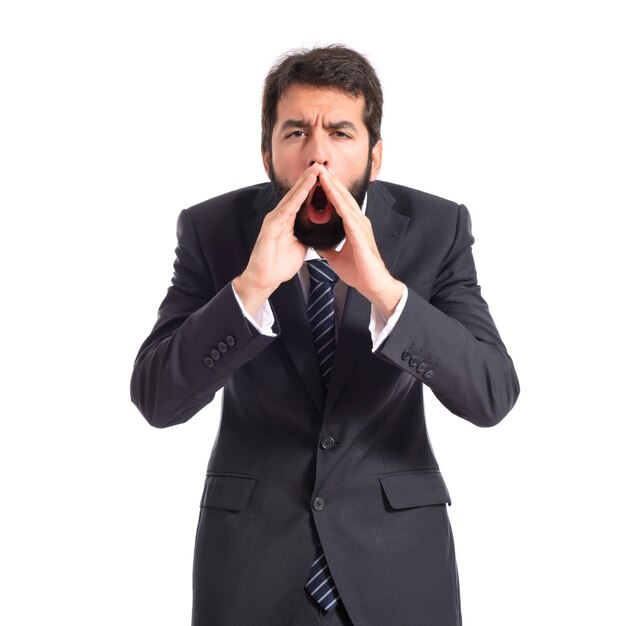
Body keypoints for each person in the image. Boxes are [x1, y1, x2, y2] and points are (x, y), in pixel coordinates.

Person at [130, 44, 520, 626]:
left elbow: (491, 395)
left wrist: (387, 292)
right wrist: (250, 287)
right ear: (266, 153)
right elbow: (157, 399)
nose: (318, 158)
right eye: (295, 134)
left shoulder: (438, 228)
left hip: (399, 565)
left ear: (375, 153)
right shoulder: (211, 229)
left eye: (340, 133)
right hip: (250, 570)